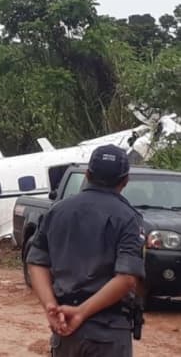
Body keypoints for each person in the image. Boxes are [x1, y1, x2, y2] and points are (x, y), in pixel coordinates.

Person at [27, 144, 145, 357]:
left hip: (65, 330)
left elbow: (36, 262)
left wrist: (51, 306)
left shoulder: (58, 211)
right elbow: (127, 278)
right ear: (125, 180)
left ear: (88, 174)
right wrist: (81, 312)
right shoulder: (128, 218)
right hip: (108, 332)